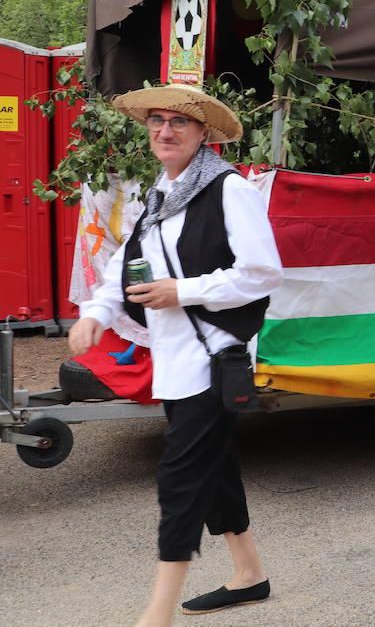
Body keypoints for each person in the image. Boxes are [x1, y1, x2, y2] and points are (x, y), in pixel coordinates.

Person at [67, 85, 283, 627]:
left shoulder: (228, 190)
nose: (165, 130)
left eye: (179, 123)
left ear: (203, 134)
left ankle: (157, 614)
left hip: (214, 358)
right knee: (214, 468)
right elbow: (125, 270)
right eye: (157, 121)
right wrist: (95, 312)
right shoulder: (160, 196)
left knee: (181, 478)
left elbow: (262, 272)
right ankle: (249, 573)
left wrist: (180, 291)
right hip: (176, 362)